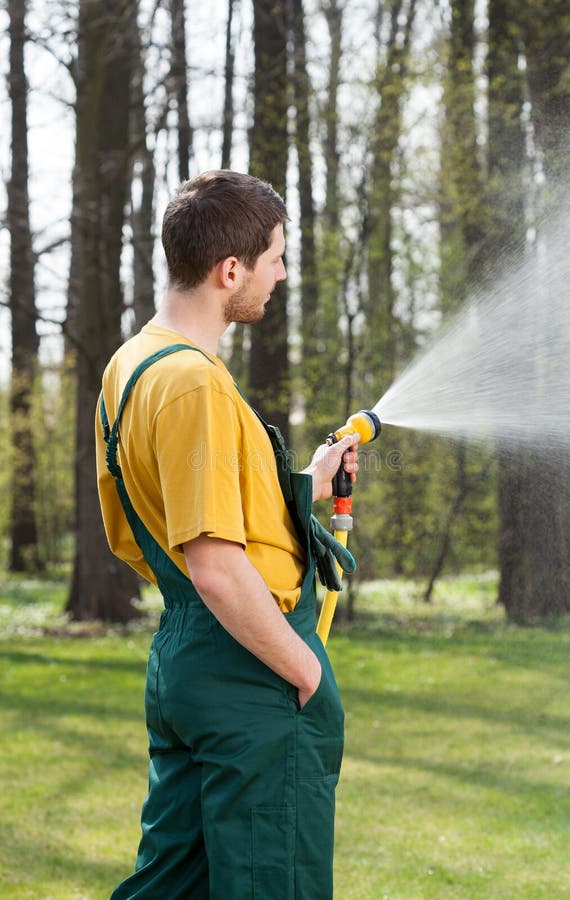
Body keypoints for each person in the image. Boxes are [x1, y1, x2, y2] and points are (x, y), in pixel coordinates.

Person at [96, 169, 361, 899]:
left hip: (190, 659)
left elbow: (185, 519)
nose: (282, 272)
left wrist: (304, 479)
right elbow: (214, 564)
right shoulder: (194, 384)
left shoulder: (133, 365)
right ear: (231, 269)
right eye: (276, 256)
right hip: (249, 669)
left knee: (173, 886)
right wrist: (302, 670)